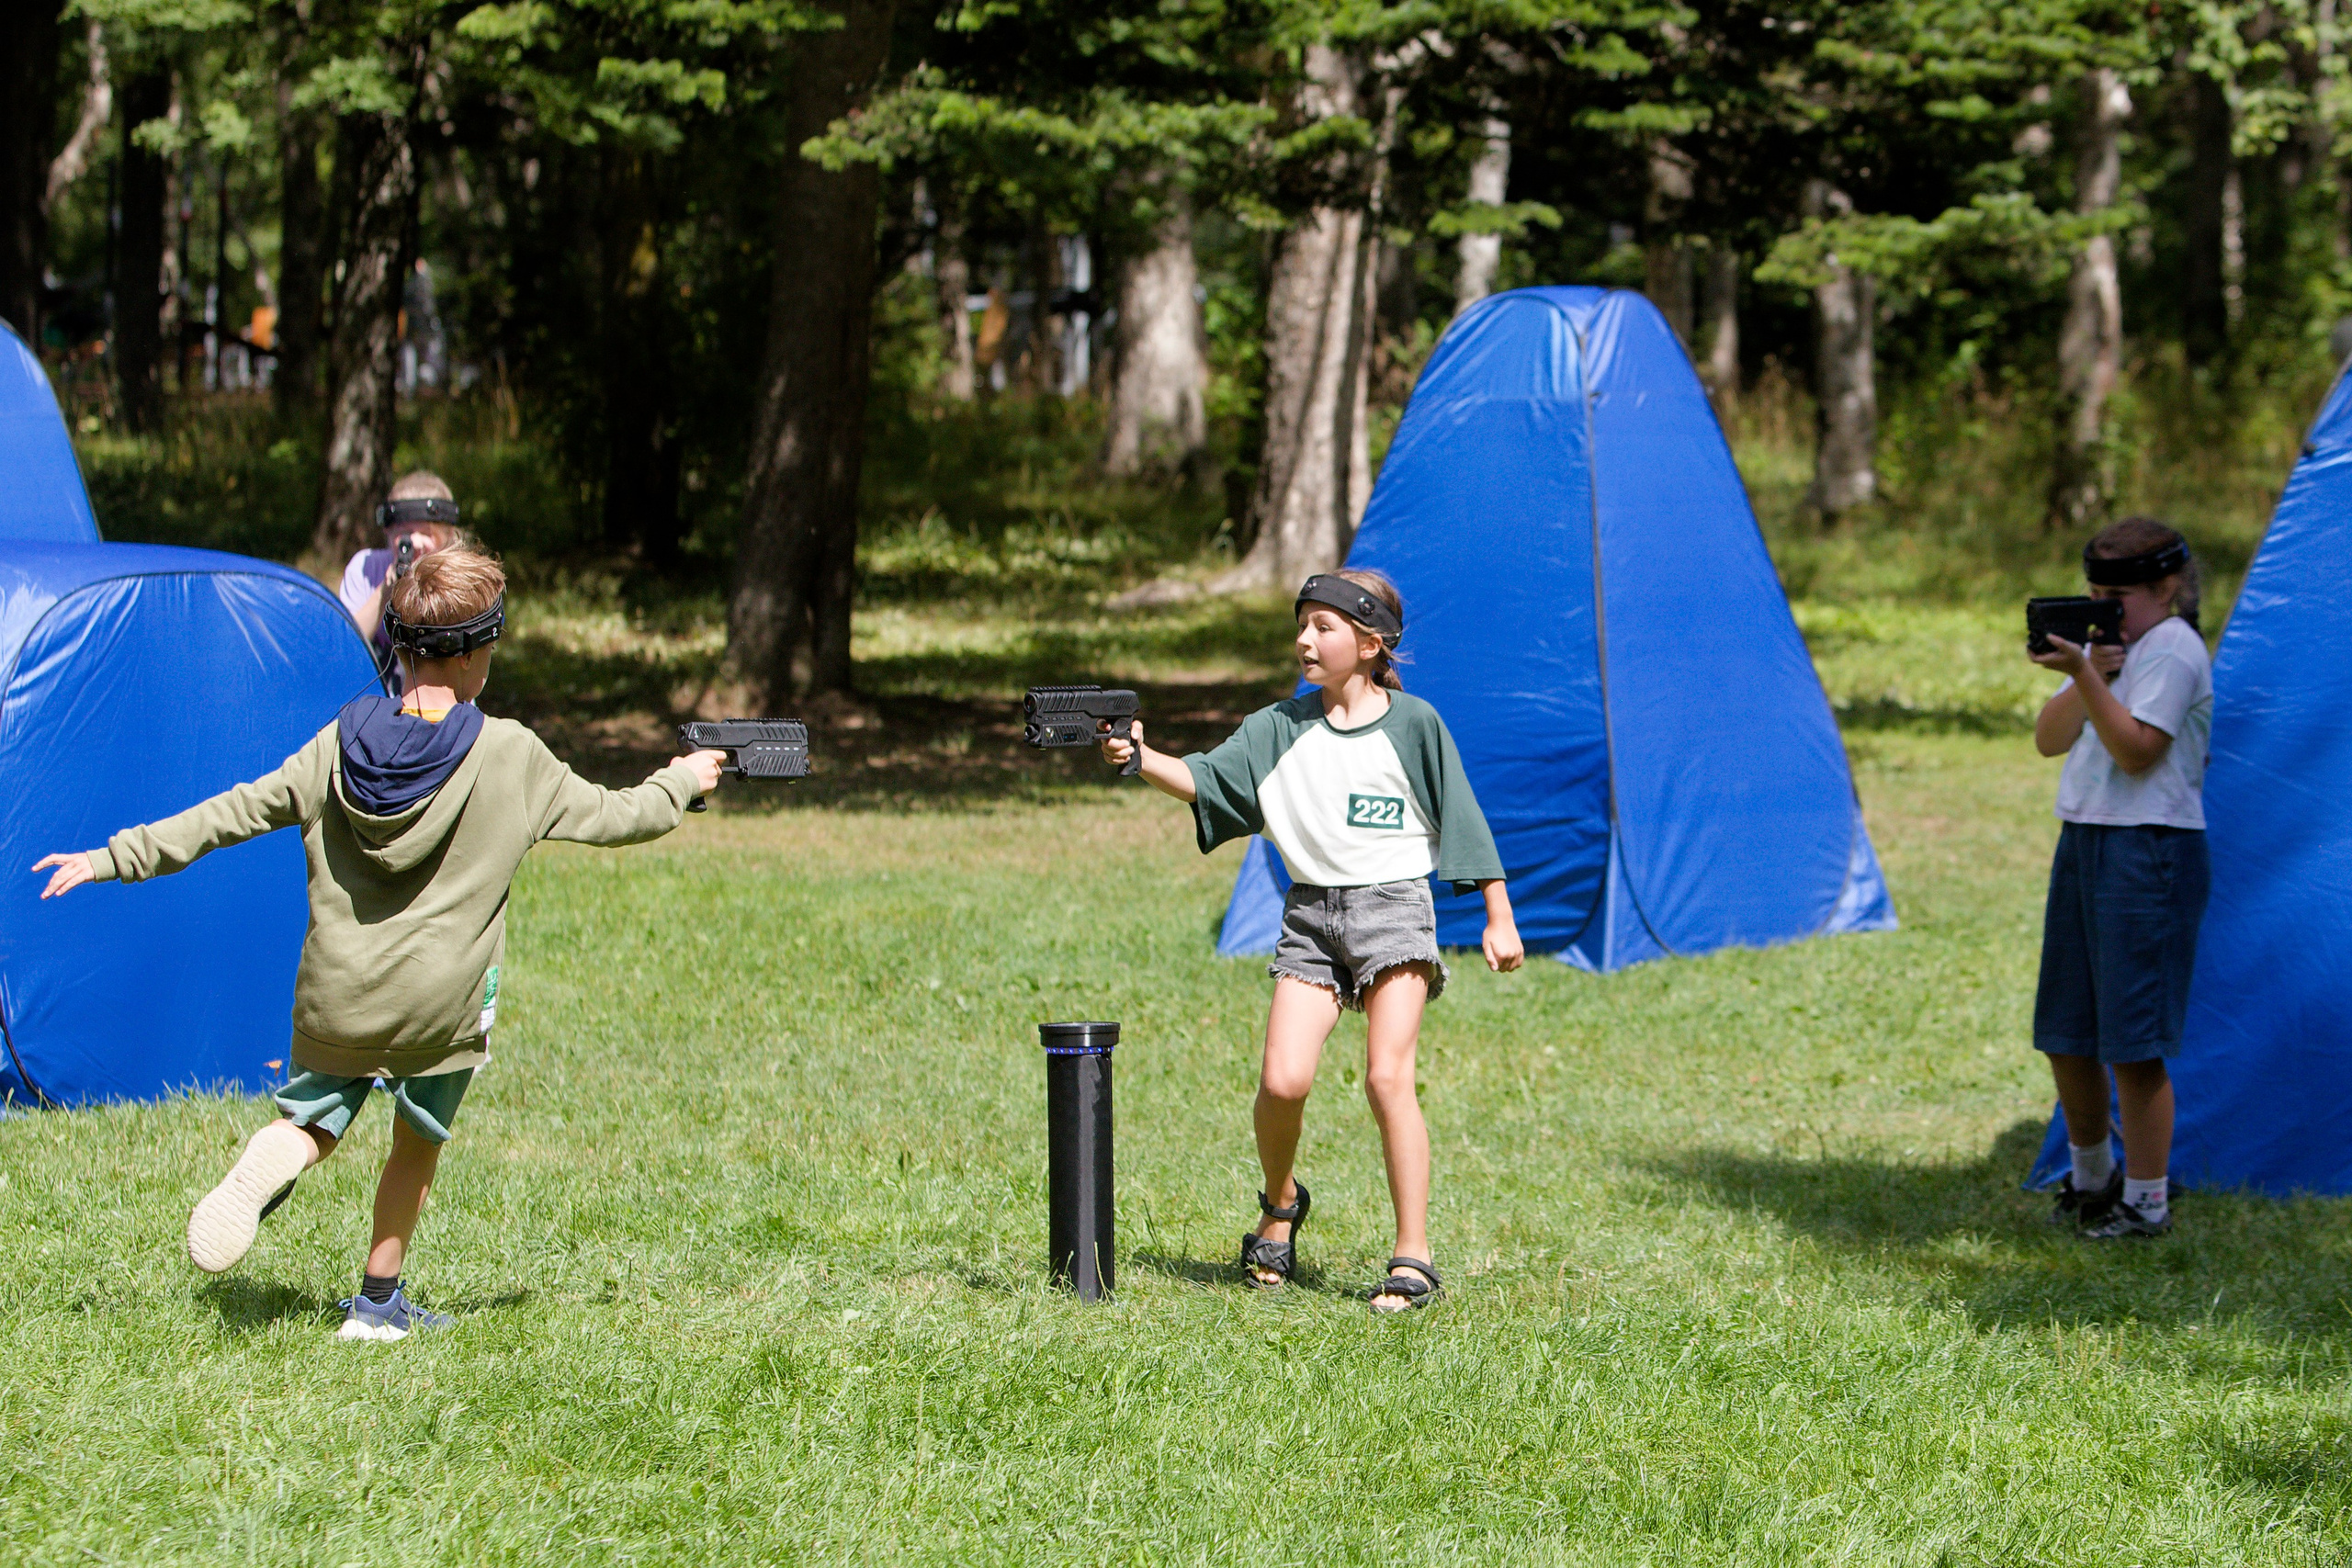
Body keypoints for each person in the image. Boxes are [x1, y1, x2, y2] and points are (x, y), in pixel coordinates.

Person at [31, 549, 728, 1339]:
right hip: (442, 1008)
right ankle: (376, 1302)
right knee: (415, 1145)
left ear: (397, 643)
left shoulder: (335, 746)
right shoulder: (510, 755)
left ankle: (284, 1147)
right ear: (473, 652)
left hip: (338, 997)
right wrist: (684, 777)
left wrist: (110, 857)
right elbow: (619, 815)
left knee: (316, 1120)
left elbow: (231, 811)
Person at [1102, 570, 1523, 1311]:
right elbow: (1208, 780)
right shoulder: (1278, 727)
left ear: (1371, 642)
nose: (1305, 639)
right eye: (1302, 625)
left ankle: (1412, 1255)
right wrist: (1138, 756)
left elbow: (1464, 815)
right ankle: (1280, 1202)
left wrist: (1499, 913)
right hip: (1310, 916)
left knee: (1387, 1078)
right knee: (1282, 1081)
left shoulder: (1414, 724)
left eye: (1324, 627)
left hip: (1394, 909)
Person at [2029, 517, 2212, 1239]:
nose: (2105, 608)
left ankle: (2146, 1201)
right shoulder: (2110, 654)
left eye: (2119, 595)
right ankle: (2092, 1174)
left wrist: (2085, 673)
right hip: (2086, 839)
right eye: (2094, 592)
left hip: (2151, 850)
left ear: (2166, 588)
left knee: (2132, 1043)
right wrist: (2089, 670)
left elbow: (2138, 751)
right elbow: (2049, 740)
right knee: (2065, 1028)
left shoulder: (2172, 647)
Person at [340, 470, 461, 666]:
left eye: (426, 533)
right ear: (388, 532)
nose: (415, 542)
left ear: (448, 536)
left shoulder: (461, 574)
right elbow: (346, 646)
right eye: (405, 533)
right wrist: (386, 591)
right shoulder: (366, 567)